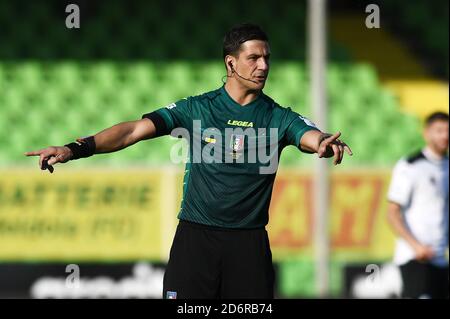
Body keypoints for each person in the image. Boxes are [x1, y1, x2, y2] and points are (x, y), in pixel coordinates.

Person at [24, 23, 352, 299]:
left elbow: (309, 136)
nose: (263, 66)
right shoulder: (197, 109)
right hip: (196, 242)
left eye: (266, 58)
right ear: (230, 64)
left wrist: (322, 143)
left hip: (249, 245)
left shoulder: (277, 117)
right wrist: (74, 148)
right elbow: (132, 131)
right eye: (253, 58)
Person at [387, 111, 449, 299]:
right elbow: (392, 213)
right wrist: (416, 246)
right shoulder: (411, 166)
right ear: (427, 133)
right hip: (414, 258)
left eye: (448, 130)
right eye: (439, 130)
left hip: (439, 258)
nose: (445, 135)